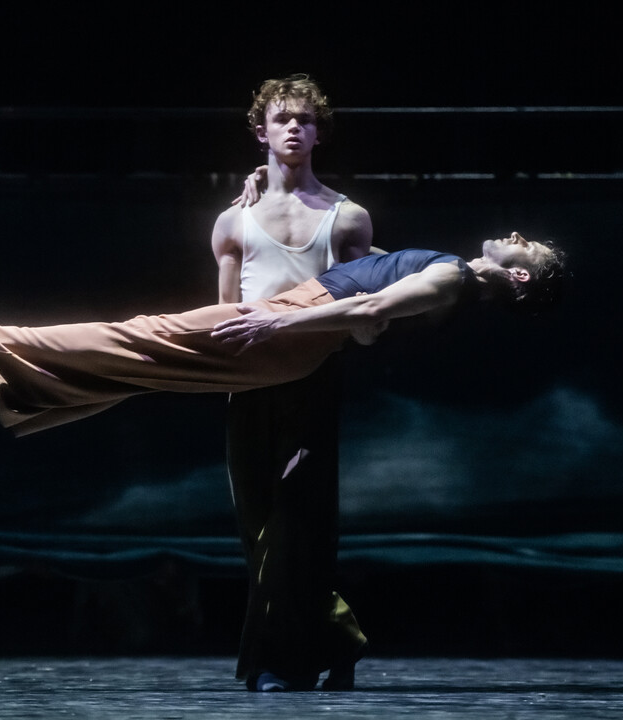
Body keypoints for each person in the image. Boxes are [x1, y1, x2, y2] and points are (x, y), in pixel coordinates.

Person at [0, 233, 564, 437]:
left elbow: (369, 311)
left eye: (527, 247)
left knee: (142, 339)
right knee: (139, 368)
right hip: (297, 331)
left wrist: (281, 319)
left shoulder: (452, 279)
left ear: (520, 277)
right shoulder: (447, 279)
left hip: (291, 326)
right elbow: (373, 298)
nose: (515, 237)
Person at [210, 75, 371, 692]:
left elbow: (361, 309)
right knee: (259, 524)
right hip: (252, 383)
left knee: (298, 521)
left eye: (305, 119)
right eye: (283, 119)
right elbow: (223, 316)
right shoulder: (234, 221)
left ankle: (273, 663)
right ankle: (339, 639)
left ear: (319, 132)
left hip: (312, 379)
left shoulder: (346, 217)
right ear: (262, 131)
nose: (295, 128)